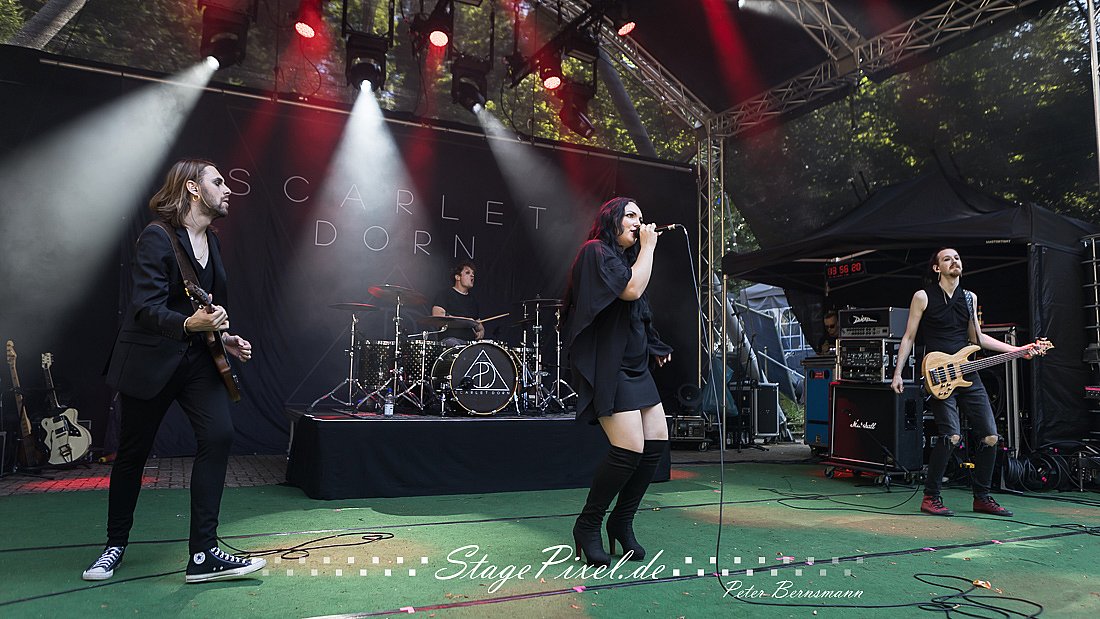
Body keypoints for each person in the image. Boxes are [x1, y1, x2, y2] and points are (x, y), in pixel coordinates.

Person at [83, 159, 265, 583]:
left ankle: (203, 554)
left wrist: (224, 338)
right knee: (133, 454)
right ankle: (114, 545)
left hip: (198, 360)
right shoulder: (157, 236)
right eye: (218, 181)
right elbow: (145, 308)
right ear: (193, 189)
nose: (228, 189)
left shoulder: (212, 242)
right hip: (151, 360)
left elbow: (204, 308)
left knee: (219, 435)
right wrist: (188, 325)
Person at [562, 197, 673, 566]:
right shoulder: (594, 252)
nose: (638, 222)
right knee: (628, 450)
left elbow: (638, 311)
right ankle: (588, 524)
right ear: (611, 219)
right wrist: (649, 247)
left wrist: (654, 344)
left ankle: (621, 522)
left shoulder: (626, 260)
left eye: (641, 216)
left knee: (655, 444)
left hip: (636, 366)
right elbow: (630, 291)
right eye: (630, 215)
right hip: (610, 365)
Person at [892, 248, 1034, 518]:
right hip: (939, 374)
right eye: (947, 259)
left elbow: (977, 339)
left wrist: (1018, 350)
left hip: (967, 372)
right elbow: (909, 337)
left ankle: (982, 497)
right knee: (952, 435)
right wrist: (898, 373)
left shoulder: (970, 298)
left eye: (957, 258)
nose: (954, 261)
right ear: (937, 268)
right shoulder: (923, 296)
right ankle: (931, 497)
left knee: (991, 436)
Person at [431, 259, 485, 345]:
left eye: (473, 274)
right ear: (457, 277)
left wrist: (481, 332)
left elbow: (479, 325)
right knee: (453, 343)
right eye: (467, 273)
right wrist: (466, 321)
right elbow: (438, 318)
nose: (472, 275)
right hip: (450, 340)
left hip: (469, 343)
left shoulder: (473, 300)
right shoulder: (444, 295)